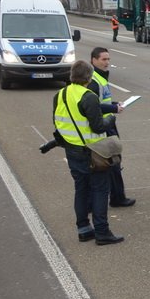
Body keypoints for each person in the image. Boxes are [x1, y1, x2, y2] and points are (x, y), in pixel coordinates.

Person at [52, 60, 123, 245]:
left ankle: (83, 229)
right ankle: (102, 232)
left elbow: (58, 121)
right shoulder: (88, 96)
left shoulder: (61, 94)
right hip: (92, 151)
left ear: (71, 76)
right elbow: (98, 126)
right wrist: (111, 119)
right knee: (100, 190)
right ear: (89, 77)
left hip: (72, 150)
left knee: (81, 190)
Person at [87, 47, 135, 208]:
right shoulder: (93, 81)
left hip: (108, 124)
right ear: (93, 60)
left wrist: (114, 104)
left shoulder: (100, 77)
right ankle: (116, 198)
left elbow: (103, 101)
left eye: (108, 59)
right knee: (111, 162)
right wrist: (113, 109)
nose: (107, 63)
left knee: (113, 162)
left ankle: (116, 196)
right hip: (103, 127)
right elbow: (93, 106)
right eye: (104, 59)